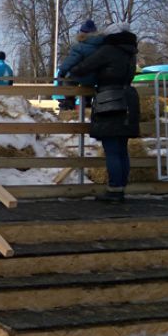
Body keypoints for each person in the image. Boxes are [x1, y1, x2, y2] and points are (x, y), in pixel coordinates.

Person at [70, 22, 139, 204]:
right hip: (128, 100)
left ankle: (114, 190)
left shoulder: (108, 50)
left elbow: (82, 68)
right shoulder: (131, 52)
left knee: (112, 150)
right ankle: (120, 187)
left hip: (110, 100)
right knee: (122, 149)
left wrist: (77, 74)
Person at [56, 19, 103, 109]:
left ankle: (69, 102)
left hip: (81, 76)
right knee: (88, 84)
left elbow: (69, 62)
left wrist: (61, 72)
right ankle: (87, 102)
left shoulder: (79, 47)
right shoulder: (102, 46)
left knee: (68, 81)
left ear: (82, 33)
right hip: (97, 78)